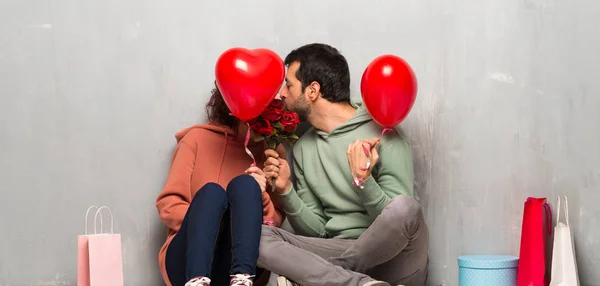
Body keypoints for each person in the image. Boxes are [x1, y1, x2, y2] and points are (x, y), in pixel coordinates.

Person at [258, 43, 429, 286]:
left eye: (289, 84)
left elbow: (401, 225)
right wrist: (286, 190)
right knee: (254, 236)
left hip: (396, 261)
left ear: (313, 91)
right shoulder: (305, 148)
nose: (282, 94)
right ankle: (353, 282)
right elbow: (316, 232)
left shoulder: (384, 132)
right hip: (338, 252)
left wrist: (364, 180)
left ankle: (328, 273)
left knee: (406, 208)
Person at [156, 83, 285, 286]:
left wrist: (261, 195)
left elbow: (275, 222)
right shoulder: (196, 140)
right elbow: (168, 205)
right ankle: (196, 281)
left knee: (246, 185)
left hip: (239, 259)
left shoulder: (271, 152)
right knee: (212, 194)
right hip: (188, 258)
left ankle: (243, 280)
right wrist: (210, 219)